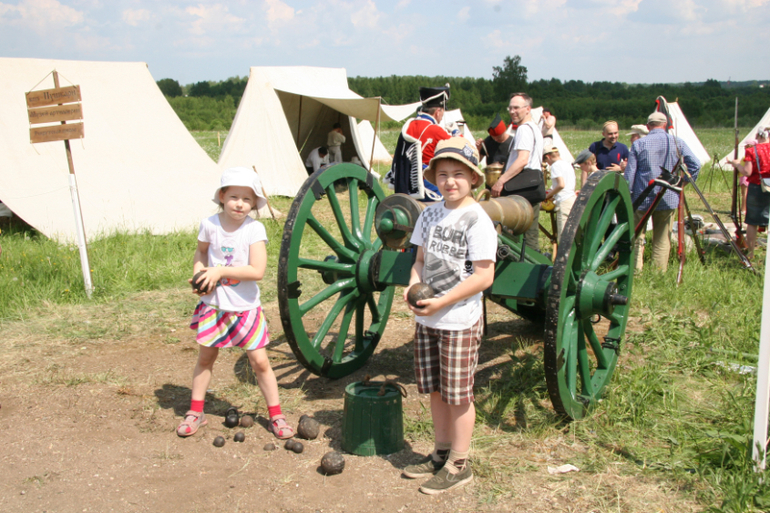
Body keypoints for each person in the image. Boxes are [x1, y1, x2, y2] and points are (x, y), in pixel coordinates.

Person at [402, 137, 497, 494]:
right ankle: (440, 453)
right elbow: (420, 261)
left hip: (459, 321)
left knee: (458, 396)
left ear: (473, 178)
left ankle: (459, 463)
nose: (450, 181)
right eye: (443, 174)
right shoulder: (429, 214)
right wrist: (412, 286)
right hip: (428, 319)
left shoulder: (477, 220)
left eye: (458, 174)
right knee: (435, 391)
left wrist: (442, 302)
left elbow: (484, 276)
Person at [177, 167, 294, 440]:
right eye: (234, 197)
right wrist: (200, 275)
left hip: (245, 308)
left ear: (254, 203)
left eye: (247, 199)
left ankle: (276, 415)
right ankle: (196, 411)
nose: (240, 204)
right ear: (222, 196)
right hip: (214, 306)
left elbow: (257, 271)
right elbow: (201, 252)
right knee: (205, 358)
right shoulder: (209, 225)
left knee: (260, 362)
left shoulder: (254, 229)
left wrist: (219, 272)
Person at [624, 112, 701, 272]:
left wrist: (627, 195)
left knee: (637, 236)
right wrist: (682, 183)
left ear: (648, 126)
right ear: (665, 125)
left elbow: (629, 176)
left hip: (642, 197)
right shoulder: (677, 142)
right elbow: (695, 165)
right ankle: (658, 272)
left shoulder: (638, 144)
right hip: (668, 196)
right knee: (662, 238)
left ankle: (635, 271)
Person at [491, 92, 544, 252]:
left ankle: (530, 263)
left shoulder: (524, 129)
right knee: (530, 232)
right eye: (510, 108)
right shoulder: (534, 128)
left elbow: (522, 160)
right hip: (532, 185)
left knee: (518, 234)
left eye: (516, 108)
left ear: (528, 109)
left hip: (522, 188)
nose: (512, 111)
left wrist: (501, 181)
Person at [391, 86, 454, 202]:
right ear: (438, 112)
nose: (442, 117)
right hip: (427, 186)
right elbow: (460, 148)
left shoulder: (408, 126)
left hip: (405, 183)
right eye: (443, 112)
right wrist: (456, 132)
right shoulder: (436, 130)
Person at [730, 128, 770, 259]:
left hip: (757, 187)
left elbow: (747, 172)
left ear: (759, 136)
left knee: (752, 221)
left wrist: (737, 164)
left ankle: (751, 253)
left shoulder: (753, 151)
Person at [543, 146, 576, 241]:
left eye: (546, 161)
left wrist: (547, 196)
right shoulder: (568, 164)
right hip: (572, 198)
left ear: (548, 157)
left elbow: (561, 185)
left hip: (564, 201)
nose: (548, 164)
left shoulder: (555, 165)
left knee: (563, 237)